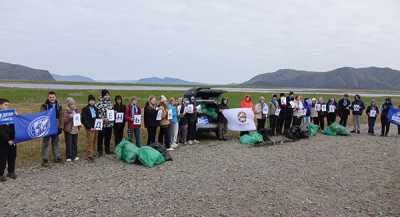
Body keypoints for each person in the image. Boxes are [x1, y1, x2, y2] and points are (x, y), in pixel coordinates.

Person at [40, 91, 62, 167]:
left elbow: (61, 117)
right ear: (48, 97)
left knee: (55, 142)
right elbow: (41, 116)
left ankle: (57, 157)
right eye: (50, 97)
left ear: (55, 97)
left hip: (55, 126)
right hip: (47, 126)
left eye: (53, 97)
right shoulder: (44, 106)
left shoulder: (59, 105)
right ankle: (44, 159)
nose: (52, 98)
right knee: (45, 143)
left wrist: (60, 127)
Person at [0, 98, 16, 181]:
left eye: (8, 105)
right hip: (3, 141)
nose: (7, 107)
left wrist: (17, 117)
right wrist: (7, 140)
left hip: (13, 140)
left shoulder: (11, 114)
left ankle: (11, 172)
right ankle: (1, 174)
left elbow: (15, 126)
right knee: (2, 158)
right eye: (6, 105)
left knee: (12, 156)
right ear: (0, 105)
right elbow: (1, 130)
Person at [95, 89, 114, 156]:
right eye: (106, 95)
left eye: (108, 95)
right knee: (100, 137)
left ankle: (107, 150)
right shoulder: (98, 104)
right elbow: (96, 114)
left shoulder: (110, 103)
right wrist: (102, 118)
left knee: (108, 137)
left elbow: (111, 111)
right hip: (102, 124)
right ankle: (100, 151)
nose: (107, 96)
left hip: (109, 124)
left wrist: (114, 113)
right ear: (103, 95)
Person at [81, 95, 98, 162]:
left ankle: (92, 153)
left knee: (94, 140)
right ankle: (89, 155)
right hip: (89, 128)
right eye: (91, 100)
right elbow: (84, 120)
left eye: (93, 100)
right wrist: (89, 127)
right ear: (88, 101)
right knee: (89, 141)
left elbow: (97, 117)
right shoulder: (85, 109)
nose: (92, 102)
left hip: (95, 127)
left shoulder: (95, 108)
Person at [63, 97, 80, 162]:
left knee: (74, 143)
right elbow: (64, 120)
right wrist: (69, 117)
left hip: (75, 129)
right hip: (69, 129)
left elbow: (78, 118)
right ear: (68, 105)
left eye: (74, 104)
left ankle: (74, 155)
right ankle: (68, 156)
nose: (73, 105)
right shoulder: (66, 111)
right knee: (69, 143)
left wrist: (79, 123)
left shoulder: (76, 110)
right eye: (71, 104)